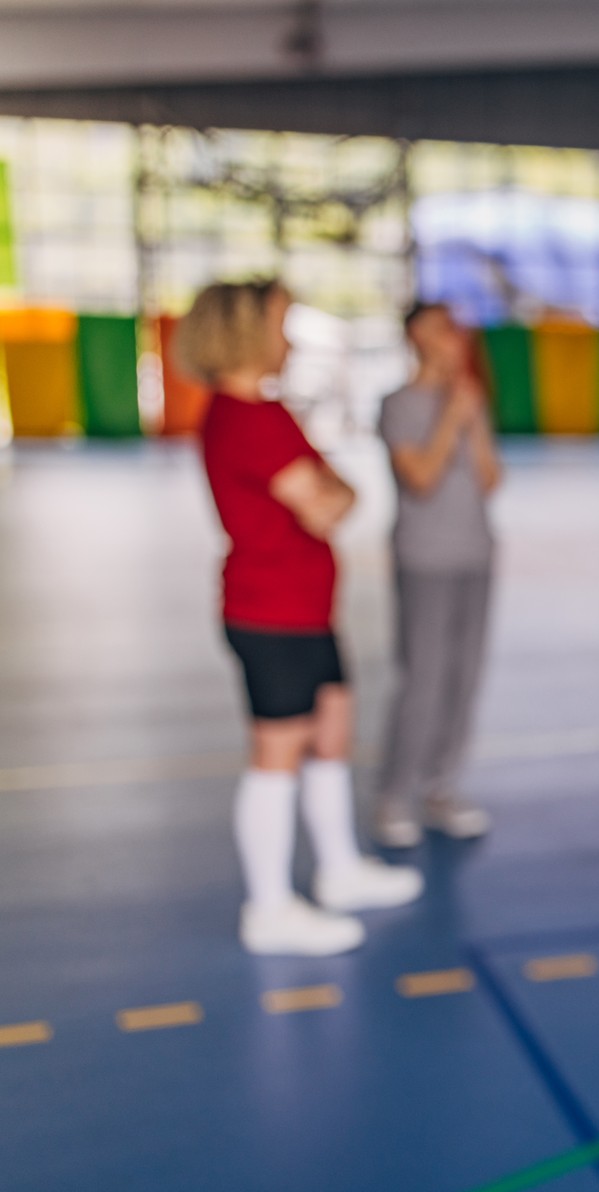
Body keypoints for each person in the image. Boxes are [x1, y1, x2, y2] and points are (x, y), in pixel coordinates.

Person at [180, 279, 424, 958]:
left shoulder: (267, 413)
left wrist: (329, 488)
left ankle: (340, 869)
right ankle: (270, 906)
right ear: (246, 333)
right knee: (277, 754)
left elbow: (334, 492)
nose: (286, 340)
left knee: (331, 734)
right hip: (270, 613)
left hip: (307, 611)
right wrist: (329, 489)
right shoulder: (249, 420)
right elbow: (328, 504)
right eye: (279, 325)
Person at [372, 302, 501, 848]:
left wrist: (471, 418)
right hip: (425, 558)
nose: (450, 337)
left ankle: (441, 784)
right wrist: (451, 418)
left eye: (454, 327)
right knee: (422, 678)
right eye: (438, 327)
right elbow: (421, 477)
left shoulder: (469, 400)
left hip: (476, 554)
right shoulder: (398, 405)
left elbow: (491, 479)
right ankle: (393, 794)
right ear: (414, 337)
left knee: (463, 676)